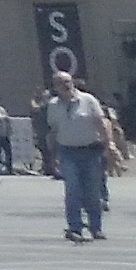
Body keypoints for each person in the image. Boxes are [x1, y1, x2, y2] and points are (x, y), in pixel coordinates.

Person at [37, 69, 114, 241]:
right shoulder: (53, 105)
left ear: (72, 82)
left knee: (93, 192)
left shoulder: (88, 100)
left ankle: (96, 228)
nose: (65, 85)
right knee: (72, 190)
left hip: (90, 151)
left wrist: (109, 145)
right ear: (55, 87)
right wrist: (52, 156)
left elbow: (100, 123)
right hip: (67, 152)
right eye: (60, 83)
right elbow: (54, 131)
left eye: (67, 81)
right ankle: (75, 228)